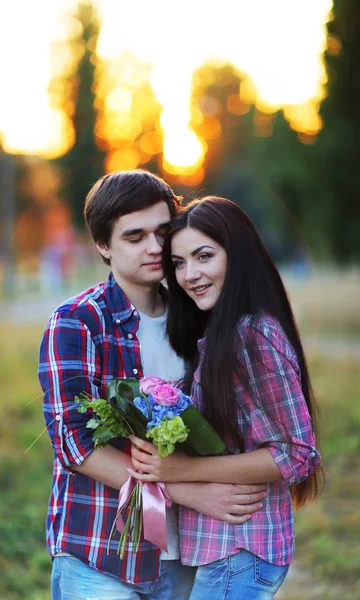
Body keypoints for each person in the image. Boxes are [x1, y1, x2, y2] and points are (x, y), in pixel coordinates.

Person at [38, 174, 267, 600]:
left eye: (163, 232)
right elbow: (74, 444)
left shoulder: (201, 315)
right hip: (101, 551)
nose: (153, 247)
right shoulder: (77, 322)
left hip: (187, 554)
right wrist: (190, 493)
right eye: (134, 236)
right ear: (103, 245)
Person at [129, 196, 324, 600]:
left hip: (241, 550)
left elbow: (296, 453)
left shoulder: (253, 334)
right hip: (228, 552)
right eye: (179, 263)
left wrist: (176, 471)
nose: (190, 275)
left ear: (237, 255)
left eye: (204, 256)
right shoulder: (220, 334)